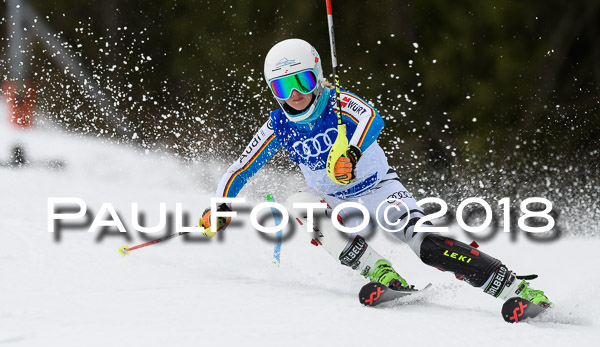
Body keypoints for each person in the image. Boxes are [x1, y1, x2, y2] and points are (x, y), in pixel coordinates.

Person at [201, 38, 551, 307]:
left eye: (303, 81)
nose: (295, 95)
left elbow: (372, 117)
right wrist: (221, 206)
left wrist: (351, 152)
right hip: (335, 201)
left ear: (318, 76)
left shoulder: (337, 102)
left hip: (378, 189)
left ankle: (512, 287)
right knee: (299, 203)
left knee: (425, 244)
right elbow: (241, 167)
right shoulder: (278, 124)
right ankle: (379, 272)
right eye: (282, 87)